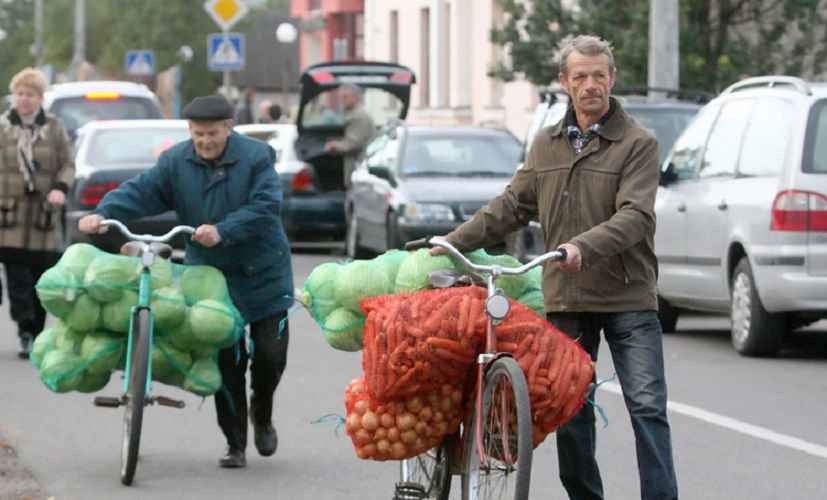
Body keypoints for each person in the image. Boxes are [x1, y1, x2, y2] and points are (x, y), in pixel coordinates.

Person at [432, 35, 678, 500]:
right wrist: (451, 242)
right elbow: (511, 206)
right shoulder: (546, 144)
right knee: (571, 410)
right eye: (580, 76)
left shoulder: (639, 144)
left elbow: (635, 215)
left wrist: (583, 245)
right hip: (567, 297)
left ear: (612, 79)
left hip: (628, 296)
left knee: (647, 408)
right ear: (564, 82)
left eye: (599, 75)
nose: (591, 85)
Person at [78, 95, 294, 469]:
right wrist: (103, 214)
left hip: (263, 272)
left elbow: (265, 207)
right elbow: (142, 192)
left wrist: (224, 230)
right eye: (197, 134)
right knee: (226, 359)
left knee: (270, 356)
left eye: (212, 133)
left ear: (229, 126)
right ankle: (235, 444)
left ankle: (263, 408)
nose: (205, 141)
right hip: (209, 278)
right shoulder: (176, 161)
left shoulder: (257, 157)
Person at [0, 67, 74, 359]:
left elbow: (68, 164)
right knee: (17, 280)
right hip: (10, 218)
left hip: (44, 218)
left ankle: (40, 330)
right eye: (20, 94)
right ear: (13, 96)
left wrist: (60, 188)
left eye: (30, 94)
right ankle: (26, 331)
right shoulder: (3, 127)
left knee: (40, 280)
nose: (24, 99)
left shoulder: (54, 128)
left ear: (41, 98)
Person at [323, 83, 375, 187]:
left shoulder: (359, 117)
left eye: (345, 97)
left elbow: (352, 144)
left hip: (359, 171)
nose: (342, 100)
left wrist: (333, 146)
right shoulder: (350, 114)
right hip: (357, 171)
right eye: (341, 97)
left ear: (356, 98)